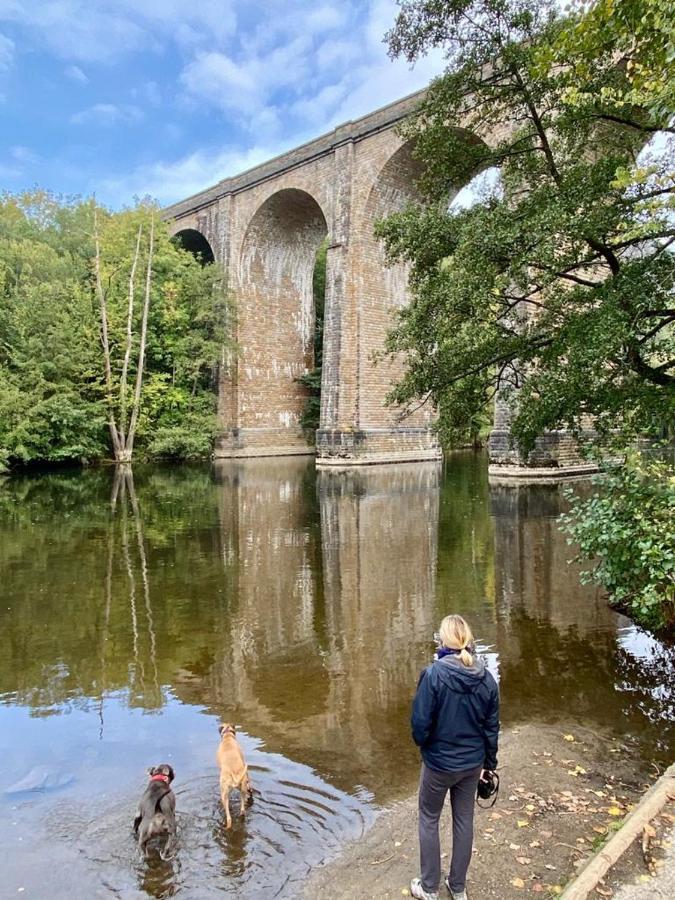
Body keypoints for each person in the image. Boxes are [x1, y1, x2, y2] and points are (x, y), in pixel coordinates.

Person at [409, 614, 500, 900]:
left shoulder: (433, 676)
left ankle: (428, 887)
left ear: (442, 641)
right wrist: (489, 765)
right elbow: (491, 728)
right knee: (464, 820)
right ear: (469, 642)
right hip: (471, 765)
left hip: (438, 764)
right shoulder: (487, 679)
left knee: (429, 818)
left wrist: (426, 746)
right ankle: (457, 887)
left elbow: (420, 727)